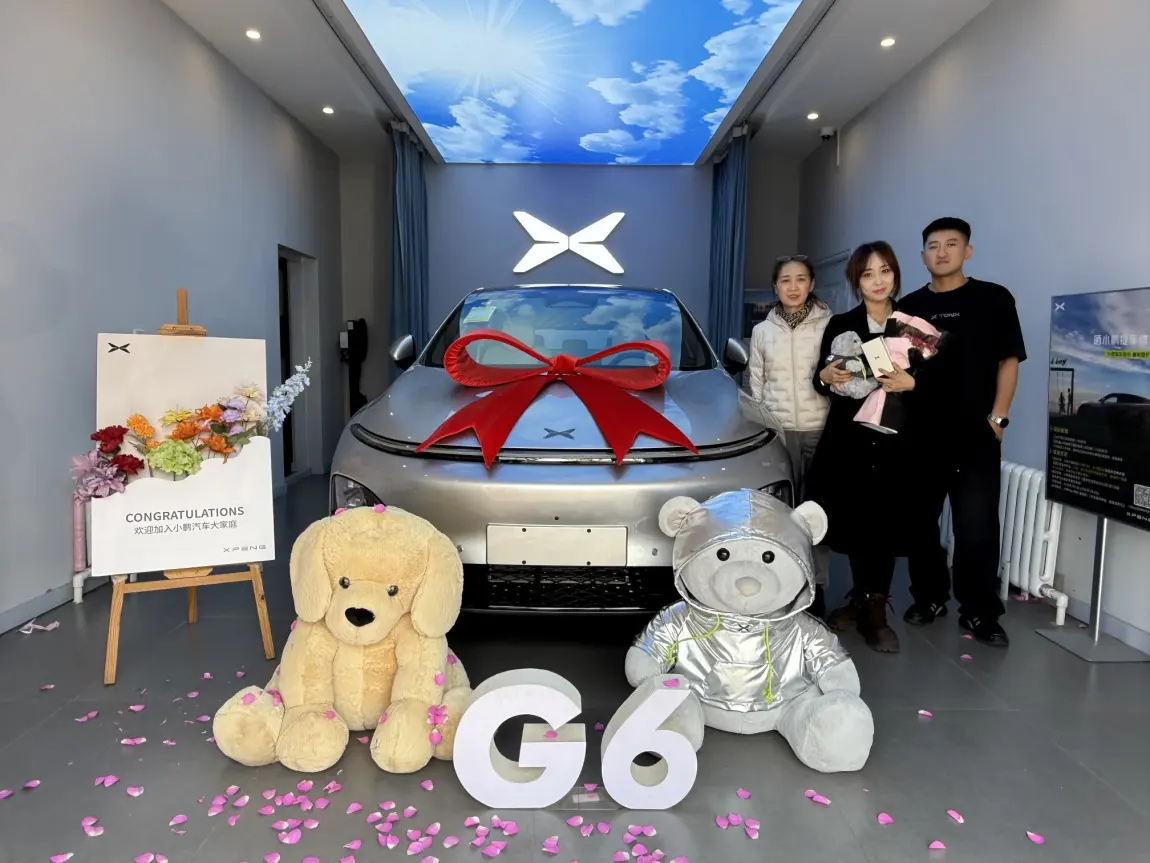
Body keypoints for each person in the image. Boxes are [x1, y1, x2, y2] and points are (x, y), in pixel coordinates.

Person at [896, 217, 1026, 647]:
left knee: (977, 527)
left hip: (975, 435)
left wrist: (999, 418)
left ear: (967, 251)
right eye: (933, 246)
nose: (942, 252)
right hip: (921, 434)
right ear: (923, 256)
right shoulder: (909, 307)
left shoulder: (993, 298)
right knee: (919, 524)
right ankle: (930, 597)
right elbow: (898, 367)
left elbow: (1009, 361)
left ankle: (979, 610)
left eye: (952, 244)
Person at [807, 242, 917, 653]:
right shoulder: (842, 323)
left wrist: (913, 383)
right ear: (856, 281)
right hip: (849, 438)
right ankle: (859, 598)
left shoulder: (910, 325)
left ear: (895, 275)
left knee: (885, 522)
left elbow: (934, 379)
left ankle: (876, 610)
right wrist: (825, 376)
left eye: (885, 271)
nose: (877, 281)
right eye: (868, 274)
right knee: (854, 519)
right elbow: (821, 377)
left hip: (894, 438)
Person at [747, 255, 833, 618]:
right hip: (779, 434)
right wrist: (764, 426)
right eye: (785, 280)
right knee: (779, 512)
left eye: (801, 279)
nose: (793, 287)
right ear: (775, 286)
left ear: (811, 284)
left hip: (821, 430)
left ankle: (818, 585)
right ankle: (780, 582)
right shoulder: (762, 332)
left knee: (816, 511)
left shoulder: (830, 324)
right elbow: (755, 383)